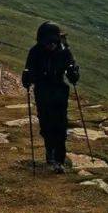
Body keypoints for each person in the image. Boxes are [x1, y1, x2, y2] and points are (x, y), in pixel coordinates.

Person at [21, 21, 79, 173]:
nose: (51, 46)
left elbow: (72, 74)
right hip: (42, 91)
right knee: (46, 124)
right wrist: (27, 78)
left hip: (59, 92)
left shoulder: (64, 51)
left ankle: (59, 160)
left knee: (60, 125)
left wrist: (73, 72)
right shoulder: (35, 52)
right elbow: (29, 72)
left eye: (53, 42)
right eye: (48, 43)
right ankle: (50, 150)